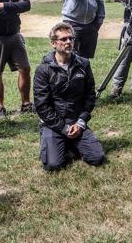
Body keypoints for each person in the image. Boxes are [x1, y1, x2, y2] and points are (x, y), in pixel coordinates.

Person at [34, 22, 105, 171]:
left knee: (97, 157)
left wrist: (80, 123)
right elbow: (42, 106)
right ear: (54, 43)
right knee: (53, 165)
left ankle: (71, 141)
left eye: (71, 38)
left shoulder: (83, 64)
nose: (68, 42)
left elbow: (90, 96)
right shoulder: (43, 70)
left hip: (76, 120)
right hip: (53, 123)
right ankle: (58, 140)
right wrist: (64, 128)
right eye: (64, 39)